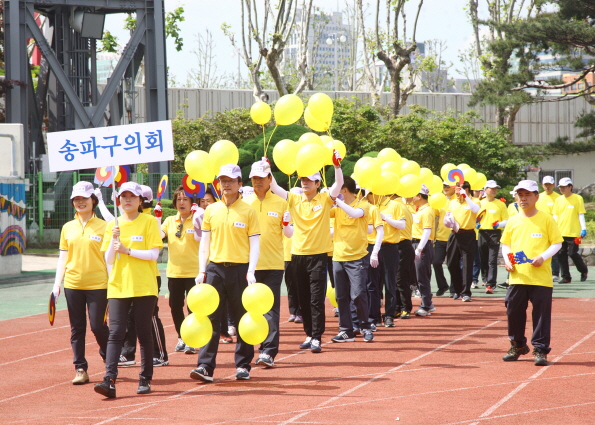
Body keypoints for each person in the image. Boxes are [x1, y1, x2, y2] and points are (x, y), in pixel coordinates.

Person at [190, 164, 260, 382]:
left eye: (230, 181)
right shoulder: (211, 210)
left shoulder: (249, 211)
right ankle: (205, 366)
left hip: (240, 270)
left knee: (242, 318)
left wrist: (251, 271)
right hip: (215, 269)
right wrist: (202, 269)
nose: (226, 184)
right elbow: (205, 243)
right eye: (222, 181)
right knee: (210, 318)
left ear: (240, 184)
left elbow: (255, 243)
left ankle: (243, 365)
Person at [268, 151, 344, 353]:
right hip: (297, 257)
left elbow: (337, 186)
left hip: (318, 257)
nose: (305, 183)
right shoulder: (294, 199)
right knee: (302, 300)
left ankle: (317, 337)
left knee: (316, 299)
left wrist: (337, 166)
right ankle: (309, 334)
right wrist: (268, 169)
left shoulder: (325, 199)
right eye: (303, 179)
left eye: (310, 180)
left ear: (318, 183)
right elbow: (274, 188)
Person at [95, 182, 163, 398]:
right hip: (118, 285)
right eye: (123, 196)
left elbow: (154, 255)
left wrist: (127, 250)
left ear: (140, 200)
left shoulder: (150, 222)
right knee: (115, 333)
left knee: (143, 332)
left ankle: (145, 377)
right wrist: (115, 240)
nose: (127, 200)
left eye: (132, 196)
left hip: (144, 285)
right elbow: (109, 260)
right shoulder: (112, 225)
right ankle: (109, 379)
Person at [52, 181, 109, 385]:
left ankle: (107, 355)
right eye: (76, 199)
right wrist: (56, 285)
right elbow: (62, 259)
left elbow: (108, 260)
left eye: (84, 198)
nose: (80, 202)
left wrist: (112, 284)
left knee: (98, 326)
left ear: (93, 200)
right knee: (77, 328)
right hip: (73, 284)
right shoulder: (68, 228)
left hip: (98, 285)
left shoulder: (104, 226)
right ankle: (80, 368)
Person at [501, 180, 562, 366]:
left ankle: (540, 349)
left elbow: (557, 243)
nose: (523, 198)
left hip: (541, 278)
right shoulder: (513, 220)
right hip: (518, 276)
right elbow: (506, 244)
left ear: (537, 196)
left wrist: (543, 257)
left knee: (541, 314)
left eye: (527, 195)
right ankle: (517, 345)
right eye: (520, 195)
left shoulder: (546, 219)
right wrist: (507, 260)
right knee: (513, 310)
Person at [244, 160, 293, 367]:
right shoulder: (245, 202)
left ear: (269, 179)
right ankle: (251, 348)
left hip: (273, 263)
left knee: (271, 309)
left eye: (261, 178)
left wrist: (286, 224)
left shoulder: (281, 203)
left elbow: (289, 233)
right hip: (249, 266)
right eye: (254, 178)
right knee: (251, 309)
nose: (257, 182)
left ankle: (268, 352)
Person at [330, 176, 379, 343]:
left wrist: (337, 201)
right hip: (338, 257)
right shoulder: (336, 208)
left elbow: (355, 213)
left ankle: (365, 326)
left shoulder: (362, 205)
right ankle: (346, 330)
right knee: (341, 296)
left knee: (358, 294)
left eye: (337, 188)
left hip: (357, 257)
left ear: (344, 190)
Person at [161, 186, 202, 355]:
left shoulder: (198, 218)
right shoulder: (170, 220)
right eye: (178, 199)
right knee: (175, 306)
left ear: (192, 202)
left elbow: (202, 237)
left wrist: (198, 216)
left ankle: (192, 339)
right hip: (174, 272)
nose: (182, 202)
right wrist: (157, 219)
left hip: (194, 272)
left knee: (193, 309)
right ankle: (181, 337)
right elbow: (157, 237)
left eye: (185, 199)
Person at [445, 181, 480, 302]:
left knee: (467, 264)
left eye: (459, 190)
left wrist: (466, 196)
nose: (457, 192)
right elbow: (448, 215)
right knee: (451, 263)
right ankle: (457, 289)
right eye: (456, 190)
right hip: (454, 234)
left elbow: (475, 209)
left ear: (467, 189)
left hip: (468, 234)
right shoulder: (452, 202)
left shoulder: (473, 201)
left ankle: (466, 292)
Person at [376, 193, 406, 326]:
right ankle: (374, 316)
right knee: (374, 284)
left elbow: (402, 225)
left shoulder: (395, 205)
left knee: (390, 283)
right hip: (373, 248)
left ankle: (389, 315)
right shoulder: (370, 205)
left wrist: (385, 218)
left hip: (390, 247)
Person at [553, 177, 588, 283]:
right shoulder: (558, 200)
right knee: (561, 255)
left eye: (564, 187)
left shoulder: (578, 198)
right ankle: (566, 277)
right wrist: (553, 229)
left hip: (573, 232)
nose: (562, 189)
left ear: (570, 187)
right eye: (560, 187)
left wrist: (584, 229)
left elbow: (580, 214)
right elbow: (555, 216)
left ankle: (583, 270)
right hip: (560, 232)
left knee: (573, 253)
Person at [478, 180, 508, 294]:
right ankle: (485, 279)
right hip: (481, 233)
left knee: (492, 259)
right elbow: (475, 217)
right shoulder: (479, 203)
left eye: (496, 188)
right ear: (485, 190)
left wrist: (499, 225)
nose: (494, 190)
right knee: (483, 259)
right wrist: (476, 225)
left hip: (495, 234)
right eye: (492, 188)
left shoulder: (501, 204)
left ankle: (491, 283)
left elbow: (506, 220)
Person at [412, 185, 436, 316]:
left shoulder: (427, 211)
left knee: (422, 277)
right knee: (418, 276)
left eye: (414, 195)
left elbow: (426, 231)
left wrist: (419, 249)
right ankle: (428, 303)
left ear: (419, 196)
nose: (412, 197)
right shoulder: (421, 210)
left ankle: (426, 305)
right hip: (418, 244)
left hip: (422, 245)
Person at [364, 191, 384, 331]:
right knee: (361, 285)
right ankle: (363, 317)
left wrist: (375, 252)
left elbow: (380, 231)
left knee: (372, 284)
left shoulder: (372, 209)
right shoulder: (351, 209)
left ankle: (374, 317)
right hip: (358, 248)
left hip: (371, 248)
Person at [536, 176, 561, 282]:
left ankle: (555, 273)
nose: (547, 186)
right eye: (545, 184)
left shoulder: (558, 198)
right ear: (542, 185)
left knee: (554, 250)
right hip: (539, 227)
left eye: (550, 184)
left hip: (553, 227)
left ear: (553, 185)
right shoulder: (538, 197)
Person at [284, 187, 303, 324]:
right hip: (286, 254)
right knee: (290, 284)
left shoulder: (302, 213)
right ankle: (293, 311)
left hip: (300, 253)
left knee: (300, 284)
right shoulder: (285, 213)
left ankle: (301, 311)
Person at [433, 183, 455, 297]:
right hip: (440, 237)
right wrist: (433, 235)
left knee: (452, 264)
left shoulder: (458, 199)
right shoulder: (439, 199)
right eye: (444, 186)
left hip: (453, 237)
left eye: (448, 186)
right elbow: (436, 218)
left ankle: (453, 288)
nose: (445, 188)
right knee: (436, 262)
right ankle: (442, 285)